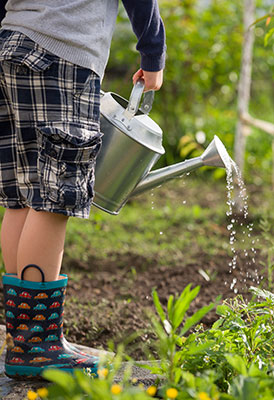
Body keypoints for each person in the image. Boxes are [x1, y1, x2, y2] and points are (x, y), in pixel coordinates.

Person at [0, 0, 166, 378]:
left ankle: (26, 339)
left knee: (22, 196)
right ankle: (38, 347)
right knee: (54, 199)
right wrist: (153, 54)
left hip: (10, 45)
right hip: (63, 52)